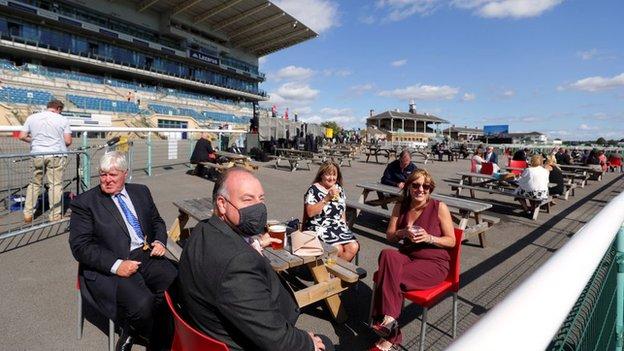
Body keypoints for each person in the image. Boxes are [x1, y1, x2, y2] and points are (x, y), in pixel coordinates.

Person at [178, 168, 333, 351]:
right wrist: (306, 342)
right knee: (326, 344)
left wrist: (255, 243)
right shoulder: (238, 264)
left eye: (261, 199)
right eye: (247, 199)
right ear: (222, 204)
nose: (258, 207)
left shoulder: (202, 230)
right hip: (246, 341)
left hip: (211, 328)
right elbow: (277, 339)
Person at [69, 152, 177, 351]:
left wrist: (160, 241)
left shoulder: (141, 192)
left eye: (113, 174)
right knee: (142, 304)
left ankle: (136, 328)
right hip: (110, 262)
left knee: (177, 283)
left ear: (125, 174)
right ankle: (146, 332)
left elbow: (156, 221)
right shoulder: (85, 202)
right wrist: (117, 265)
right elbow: (80, 246)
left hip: (145, 253)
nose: (107, 180)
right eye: (103, 174)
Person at [369, 170, 456, 351]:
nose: (420, 189)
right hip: (408, 257)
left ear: (430, 189)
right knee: (387, 254)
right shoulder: (400, 207)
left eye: (426, 186)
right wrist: (402, 232)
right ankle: (391, 324)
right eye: (416, 185)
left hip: (434, 263)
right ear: (408, 187)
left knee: (388, 277)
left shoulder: (439, 207)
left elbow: (452, 241)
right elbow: (390, 236)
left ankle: (389, 333)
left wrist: (429, 238)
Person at [19, 99, 72, 223]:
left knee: (34, 184)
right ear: (58, 109)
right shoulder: (62, 119)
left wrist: (35, 141)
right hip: (56, 155)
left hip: (37, 154)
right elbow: (68, 141)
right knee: (55, 185)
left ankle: (28, 214)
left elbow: (22, 136)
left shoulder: (32, 117)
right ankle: (55, 215)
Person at [303, 162, 359, 262]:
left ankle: (337, 273)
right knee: (337, 249)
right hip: (319, 227)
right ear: (321, 175)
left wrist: (344, 227)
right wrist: (327, 198)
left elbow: (342, 211)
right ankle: (330, 274)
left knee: (353, 247)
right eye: (328, 174)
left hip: (337, 227)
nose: (331, 178)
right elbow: (310, 213)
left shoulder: (339, 188)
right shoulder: (313, 190)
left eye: (334, 175)